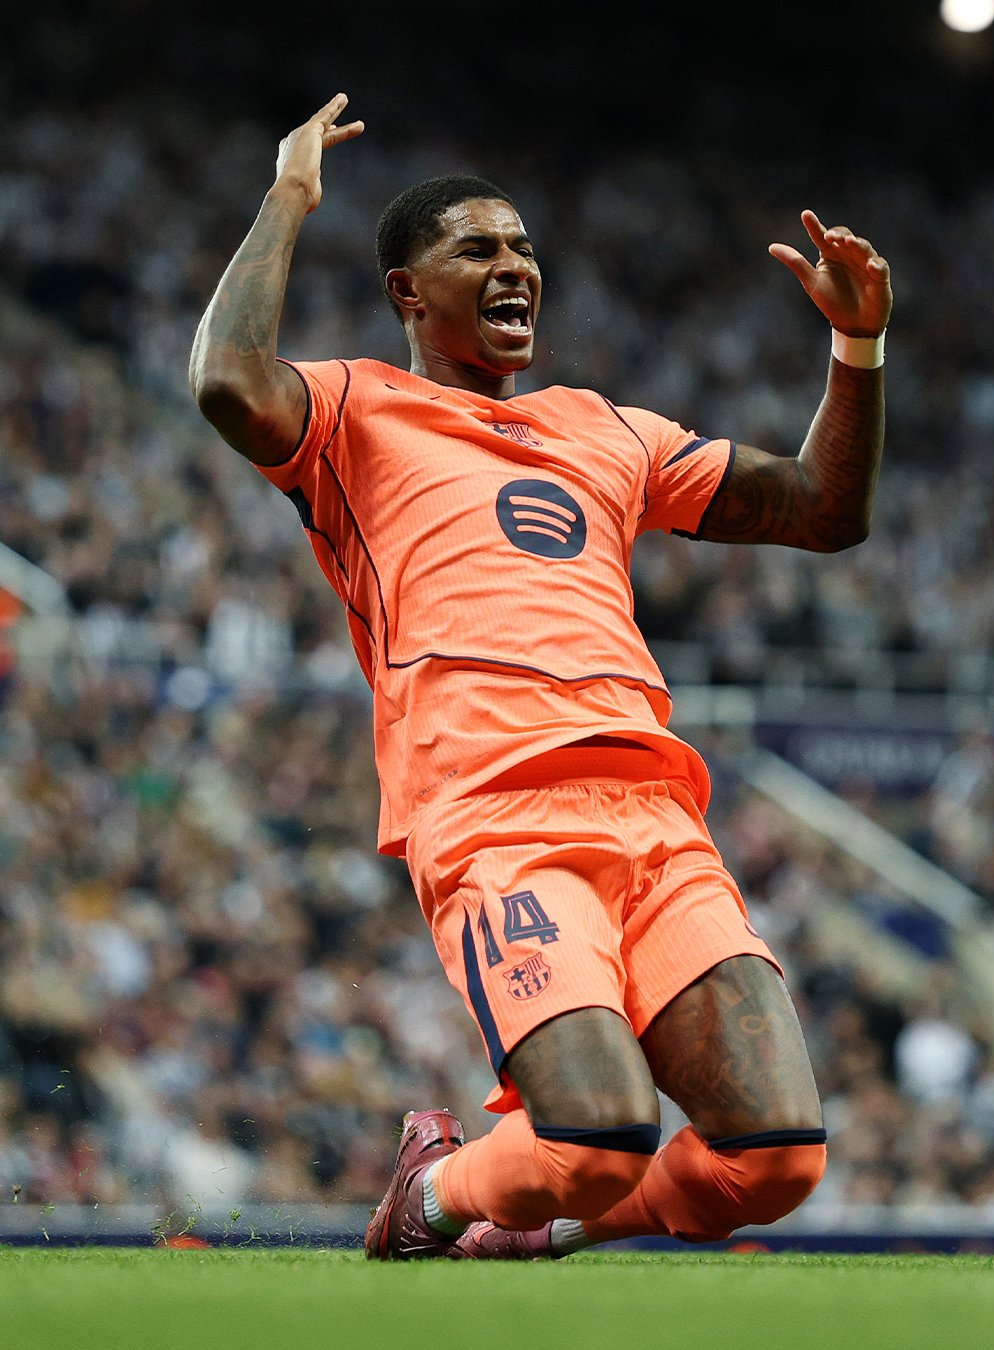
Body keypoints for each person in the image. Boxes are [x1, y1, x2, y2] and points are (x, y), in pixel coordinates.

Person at [189, 93, 892, 1259]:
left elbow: (824, 509)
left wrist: (857, 349)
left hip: (654, 814)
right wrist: (290, 194)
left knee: (775, 1158)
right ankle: (431, 1193)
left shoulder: (608, 430)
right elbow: (227, 382)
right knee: (594, 1143)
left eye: (522, 247)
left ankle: (535, 1237)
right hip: (496, 812)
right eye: (478, 249)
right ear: (407, 290)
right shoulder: (356, 409)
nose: (515, 265)